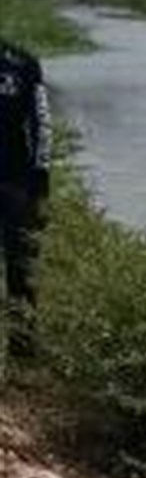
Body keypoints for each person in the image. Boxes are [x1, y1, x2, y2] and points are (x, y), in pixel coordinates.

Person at [0, 37, 52, 339]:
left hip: (16, 182)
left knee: (22, 269)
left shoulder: (22, 62)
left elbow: (41, 124)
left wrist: (40, 180)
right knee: (22, 268)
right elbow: (42, 127)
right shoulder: (23, 60)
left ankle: (23, 346)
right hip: (18, 183)